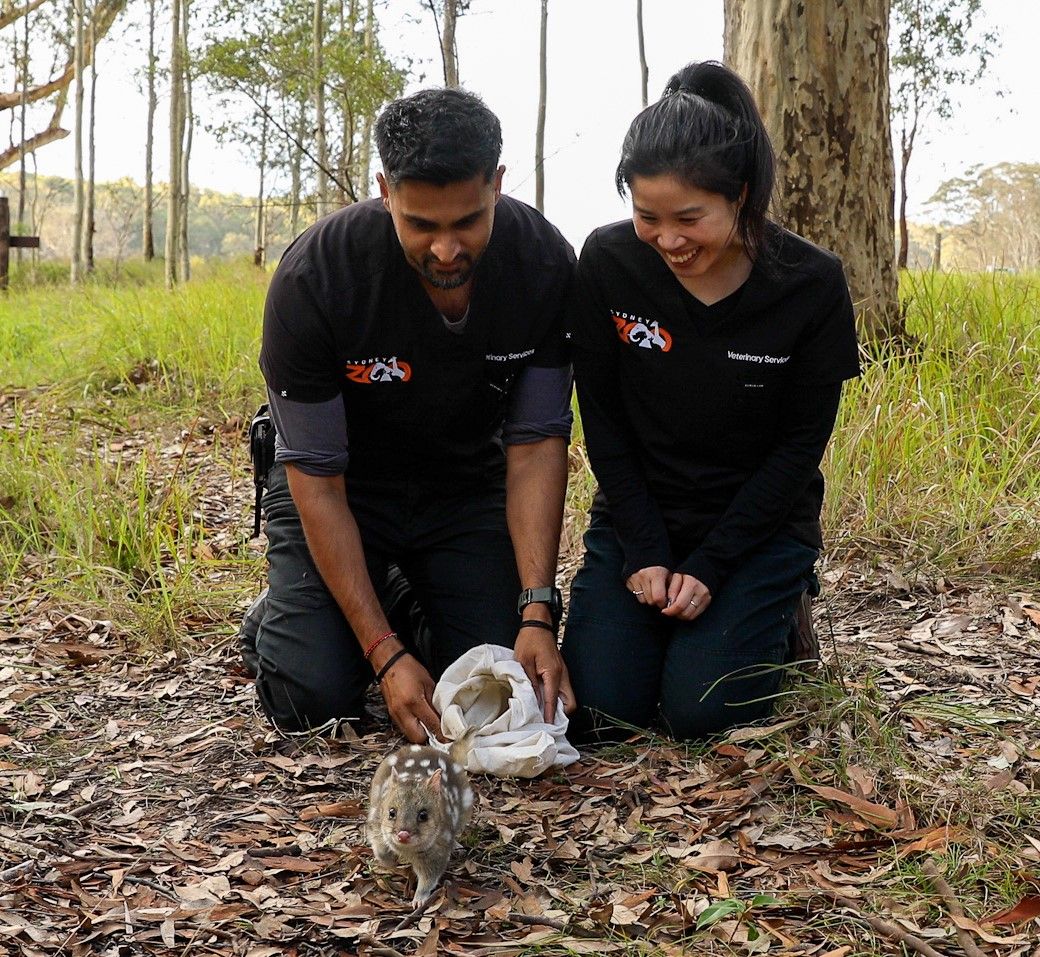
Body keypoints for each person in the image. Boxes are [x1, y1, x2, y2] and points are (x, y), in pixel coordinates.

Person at [241, 87, 576, 743]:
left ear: (498, 186)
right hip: (341, 484)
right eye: (423, 225)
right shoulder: (317, 279)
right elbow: (317, 477)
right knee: (312, 694)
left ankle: (393, 594)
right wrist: (384, 653)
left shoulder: (542, 264)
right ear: (385, 191)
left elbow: (535, 443)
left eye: (468, 222)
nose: (447, 249)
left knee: (495, 683)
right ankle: (293, 614)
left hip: (462, 484)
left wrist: (537, 611)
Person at [561, 61, 860, 741]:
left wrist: (712, 564)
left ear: (741, 196)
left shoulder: (809, 284)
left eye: (690, 218)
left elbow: (797, 452)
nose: (668, 240)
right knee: (604, 711)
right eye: (647, 217)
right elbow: (602, 420)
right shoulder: (608, 263)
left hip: (757, 528)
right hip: (644, 515)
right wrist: (643, 548)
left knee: (702, 711)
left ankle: (782, 613)